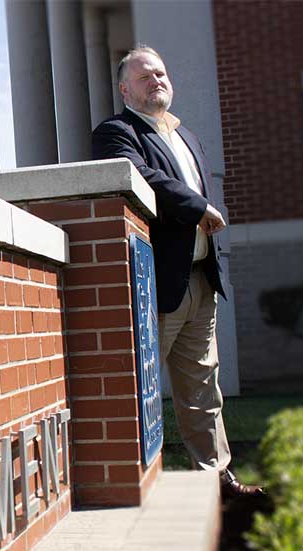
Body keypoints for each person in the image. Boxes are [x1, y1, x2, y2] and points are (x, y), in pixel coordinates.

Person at [92, 45, 263, 498]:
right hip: (156, 283)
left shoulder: (188, 138)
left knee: (203, 390)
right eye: (144, 76)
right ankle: (136, 487)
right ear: (125, 88)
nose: (156, 81)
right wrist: (199, 206)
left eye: (161, 74)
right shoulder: (116, 132)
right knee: (141, 388)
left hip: (199, 281)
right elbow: (144, 176)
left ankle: (216, 483)